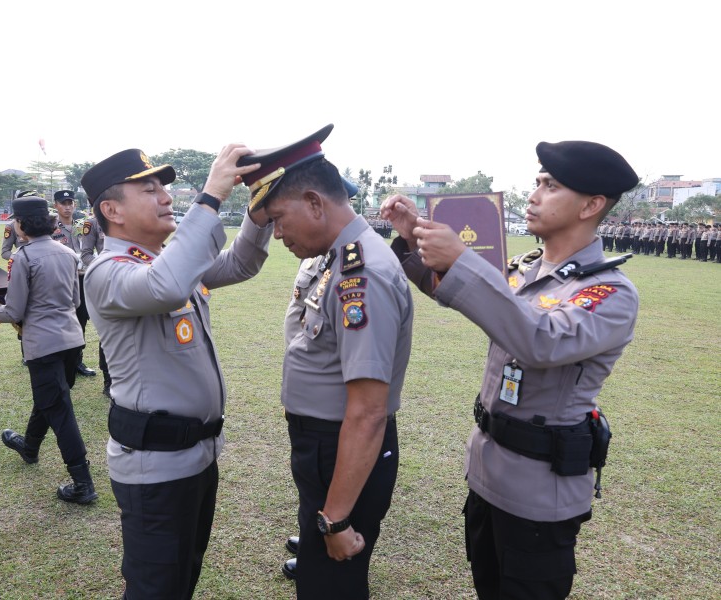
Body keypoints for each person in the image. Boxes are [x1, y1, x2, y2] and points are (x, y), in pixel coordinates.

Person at [382, 139, 640, 600]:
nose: (534, 195)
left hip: (540, 496)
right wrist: (411, 237)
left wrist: (462, 259)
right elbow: (460, 293)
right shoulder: (526, 268)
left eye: (551, 185)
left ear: (592, 205)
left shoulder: (609, 291)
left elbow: (538, 339)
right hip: (489, 474)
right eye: (537, 181)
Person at [82, 145, 271, 599]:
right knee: (156, 589)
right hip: (155, 467)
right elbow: (165, 287)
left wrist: (258, 214)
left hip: (196, 457)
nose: (166, 197)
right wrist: (210, 196)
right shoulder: (107, 272)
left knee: (181, 580)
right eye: (149, 189)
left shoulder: (166, 264)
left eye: (164, 187)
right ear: (112, 210)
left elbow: (241, 262)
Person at [238, 124, 413, 599]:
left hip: (343, 447)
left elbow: (368, 410)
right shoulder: (337, 259)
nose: (275, 235)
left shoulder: (362, 275)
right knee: (323, 575)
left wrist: (335, 519)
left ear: (315, 203)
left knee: (329, 587)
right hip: (327, 448)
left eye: (277, 218)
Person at [0, 195, 97, 505]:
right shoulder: (69, 252)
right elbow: (76, 302)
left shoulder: (23, 258)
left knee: (59, 409)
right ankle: (29, 446)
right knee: (51, 398)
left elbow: (14, 311)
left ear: (20, 224)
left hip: (43, 345)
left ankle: (83, 482)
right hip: (71, 340)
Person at [52, 189, 96, 377]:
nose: (67, 207)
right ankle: (60, 361)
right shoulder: (50, 226)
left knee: (82, 319)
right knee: (61, 320)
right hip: (60, 280)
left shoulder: (82, 225)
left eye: (70, 203)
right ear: (56, 206)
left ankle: (77, 361)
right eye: (63, 203)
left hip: (81, 278)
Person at [77, 209, 112, 396]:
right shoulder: (93, 223)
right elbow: (86, 255)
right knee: (109, 330)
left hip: (133, 278)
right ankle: (109, 381)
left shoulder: (130, 217)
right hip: (107, 281)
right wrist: (105, 264)